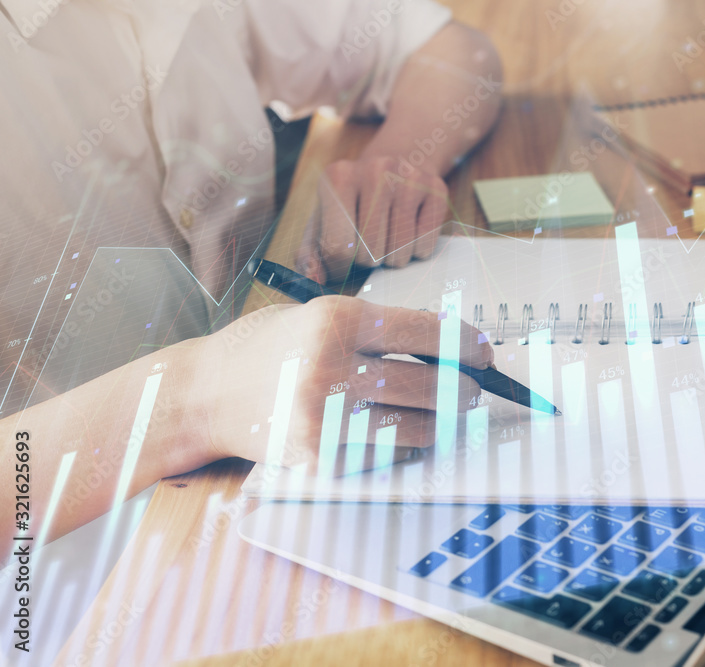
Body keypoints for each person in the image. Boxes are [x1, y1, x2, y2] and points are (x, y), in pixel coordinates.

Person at [0, 0, 502, 552]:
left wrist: (400, 165)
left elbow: (452, 48)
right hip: (69, 583)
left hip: (271, 481)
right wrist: (195, 400)